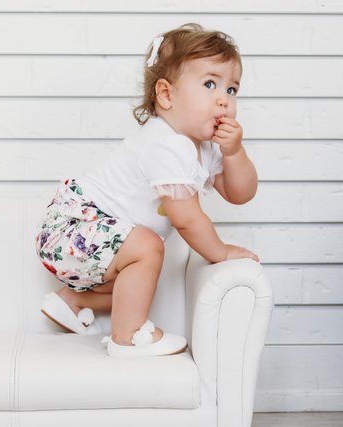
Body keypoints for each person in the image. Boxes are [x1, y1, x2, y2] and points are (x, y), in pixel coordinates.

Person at [35, 22, 260, 358]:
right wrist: (220, 252)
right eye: (210, 84)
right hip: (74, 229)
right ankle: (127, 337)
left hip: (95, 238)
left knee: (140, 277)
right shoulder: (167, 145)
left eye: (232, 90)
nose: (224, 100)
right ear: (167, 94)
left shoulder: (203, 146)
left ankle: (73, 301)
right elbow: (186, 219)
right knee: (148, 247)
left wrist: (234, 152)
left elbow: (240, 193)